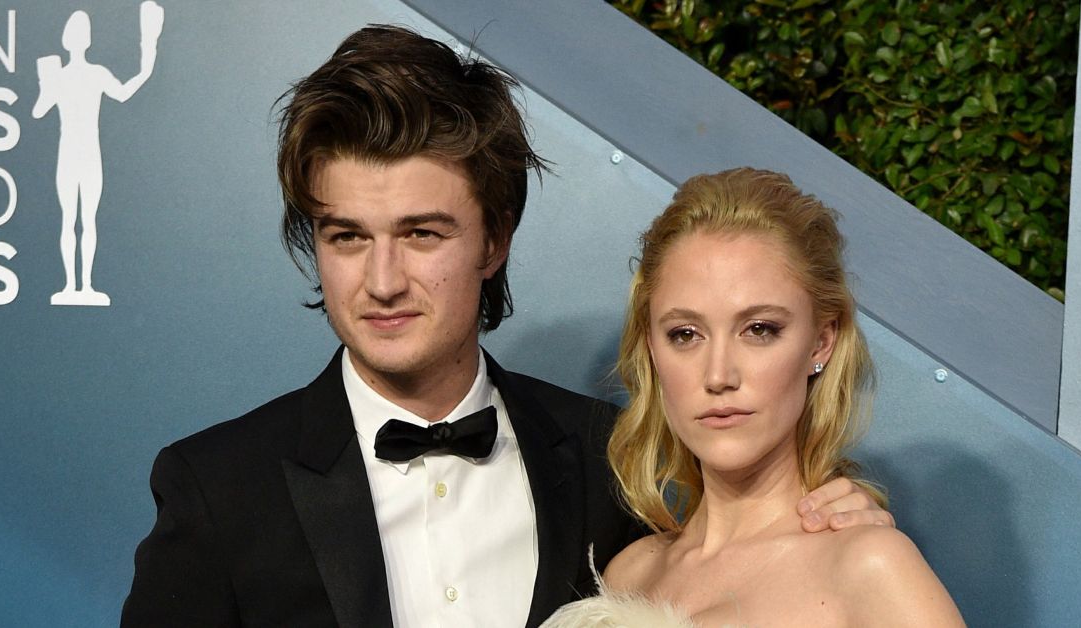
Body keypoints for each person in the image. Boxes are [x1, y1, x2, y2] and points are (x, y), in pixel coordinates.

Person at [122, 27, 890, 627]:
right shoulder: (221, 489)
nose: (382, 281)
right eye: (347, 236)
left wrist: (834, 530)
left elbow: (749, 570)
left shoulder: (607, 463)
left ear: (495, 239)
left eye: (423, 234)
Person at [544, 168, 964, 627]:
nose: (719, 375)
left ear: (821, 343)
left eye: (759, 330)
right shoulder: (629, 573)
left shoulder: (869, 568)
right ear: (651, 349)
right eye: (685, 334)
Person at [33, 1, 164, 306]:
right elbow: (39, 111)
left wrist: (149, 50)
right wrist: (45, 82)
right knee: (70, 220)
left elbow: (125, 91)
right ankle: (71, 285)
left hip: (88, 155)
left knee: (85, 220)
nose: (78, 38)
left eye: (82, 33)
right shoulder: (61, 75)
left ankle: (85, 286)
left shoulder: (96, 73)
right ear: (69, 40)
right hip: (71, 155)